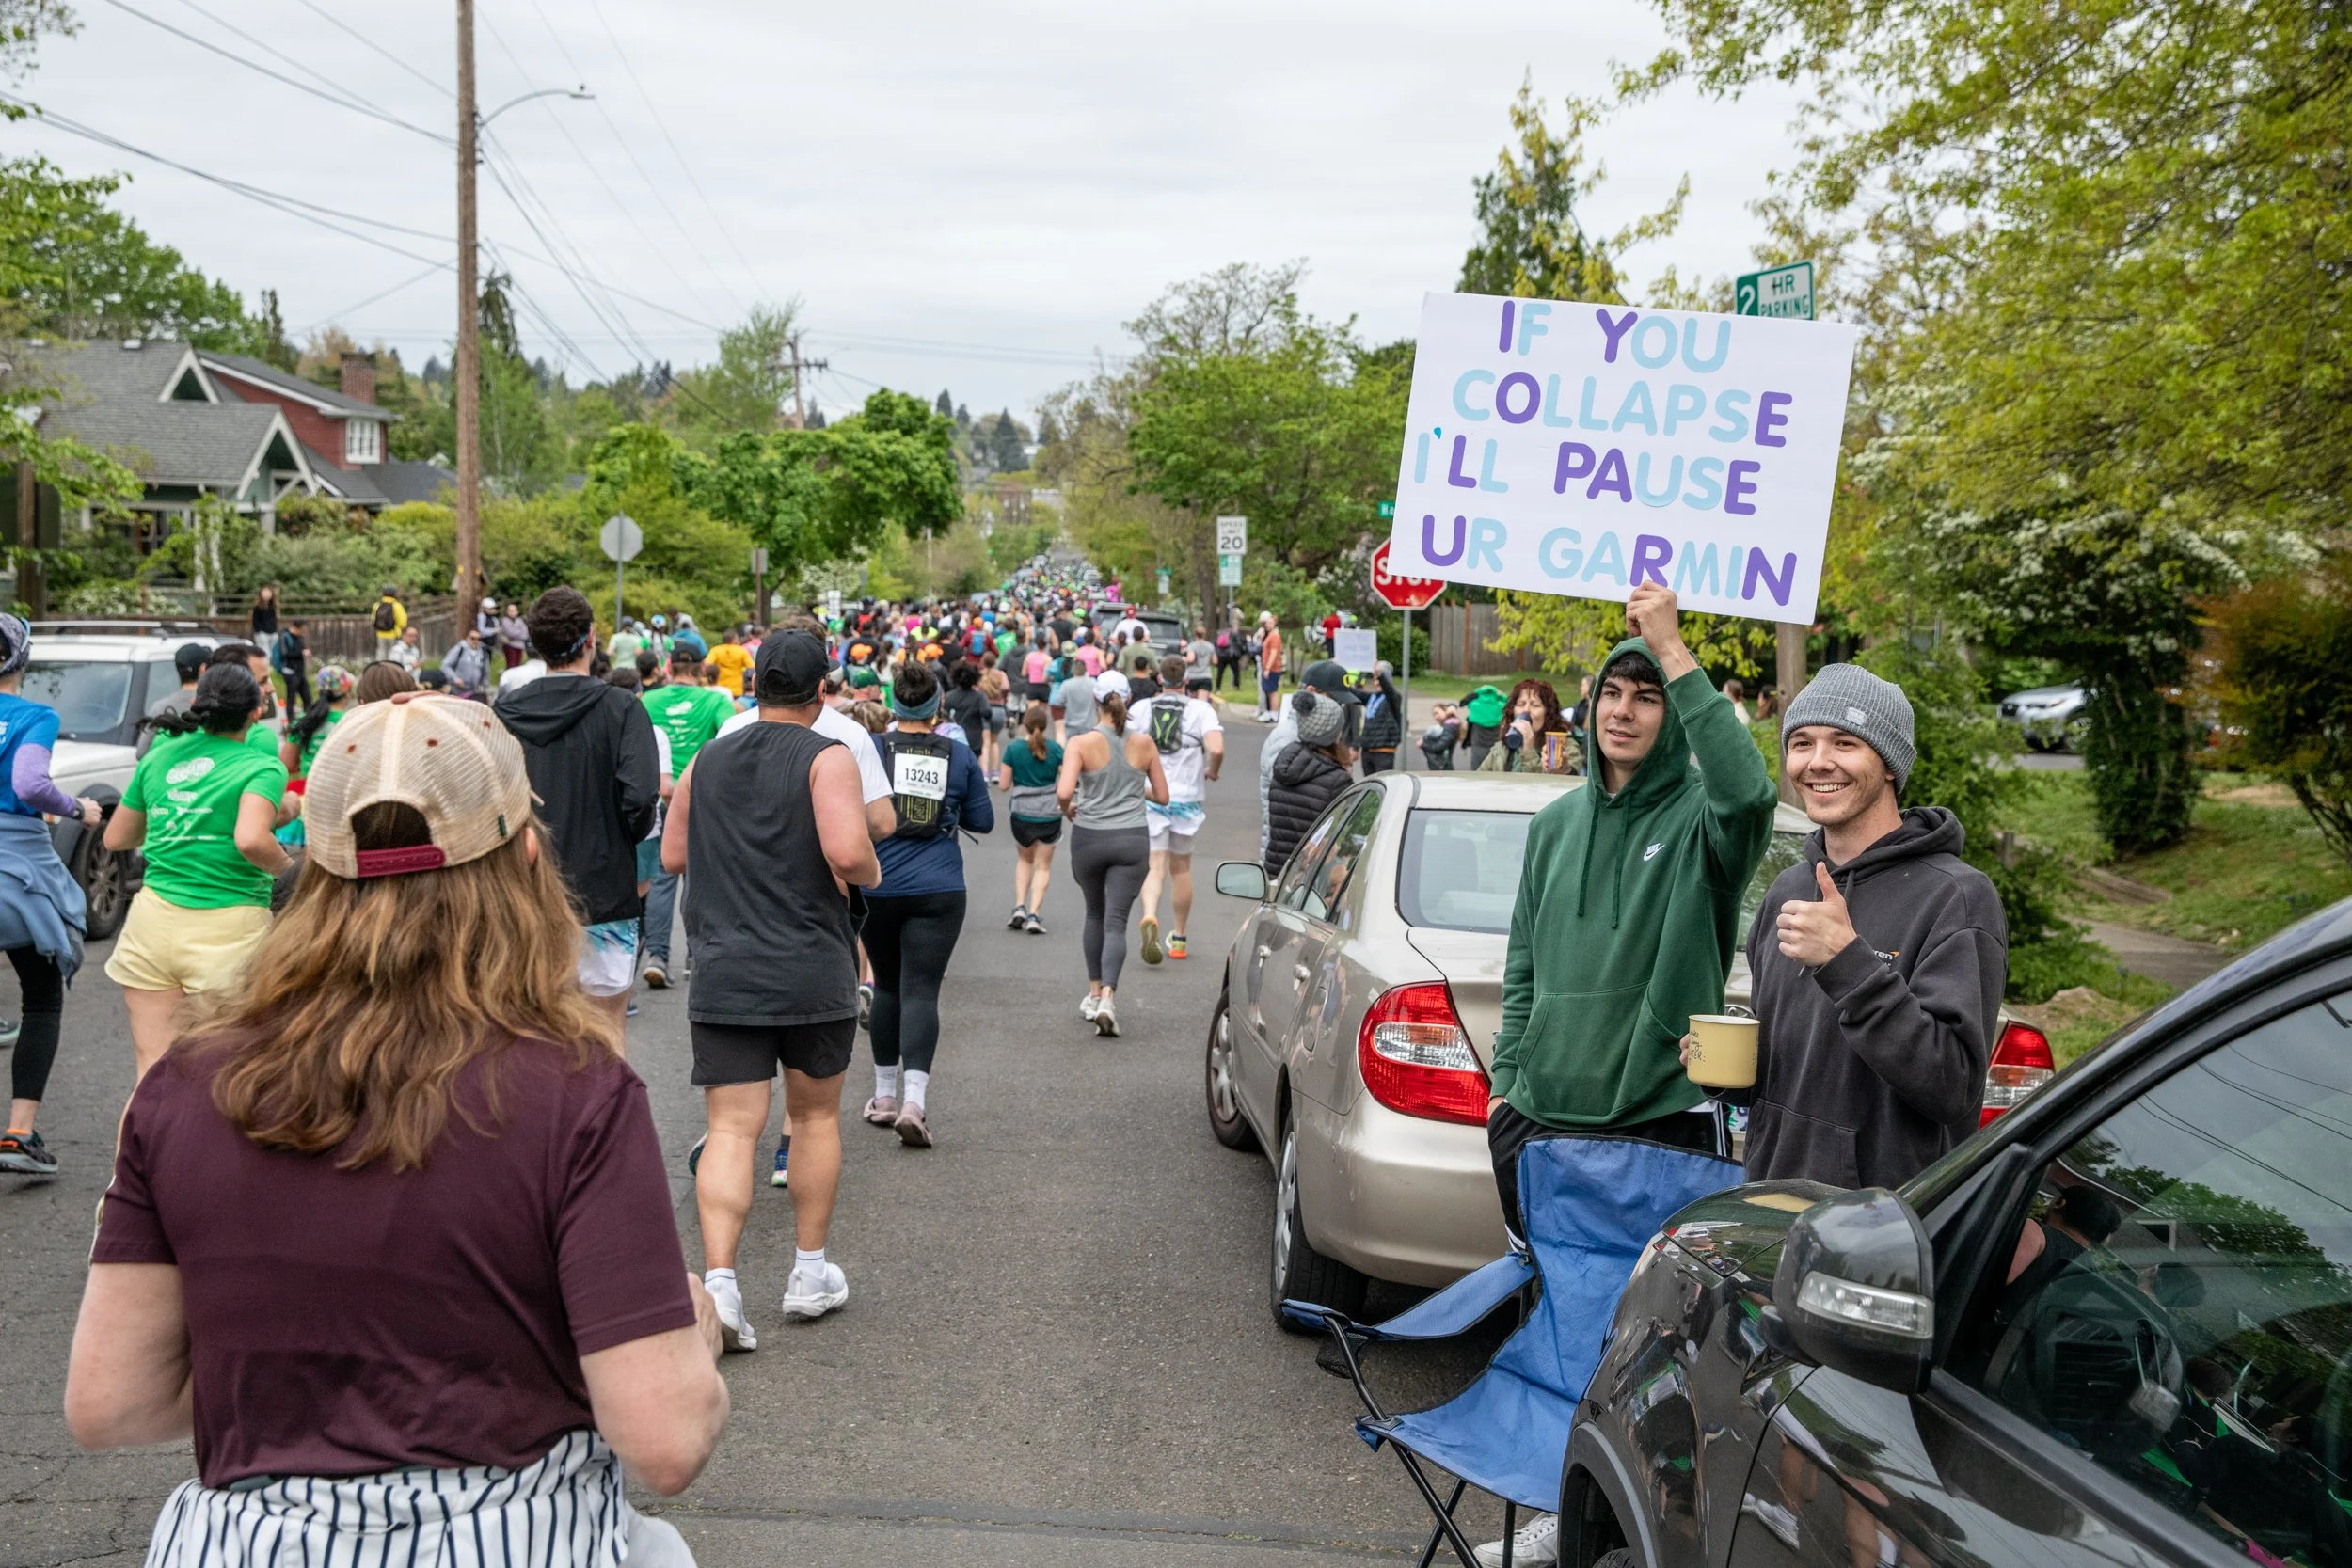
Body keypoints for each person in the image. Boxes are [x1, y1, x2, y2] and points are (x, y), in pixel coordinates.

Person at [69, 693, 728, 1565]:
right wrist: (693, 1333)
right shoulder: (575, 1089)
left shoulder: (184, 1084)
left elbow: (111, 1402)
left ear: (317, 872)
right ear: (526, 854)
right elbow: (665, 1438)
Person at [1470, 588, 1776, 1568]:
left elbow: (1749, 793)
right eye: (1613, 690)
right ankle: (1547, 1507)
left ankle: (1619, 1525)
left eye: (1646, 694)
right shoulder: (1556, 824)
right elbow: (1521, 964)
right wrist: (1506, 1084)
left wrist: (1672, 647)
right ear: (1588, 704)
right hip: (1540, 1121)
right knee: (1556, 1339)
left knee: (1639, 1357)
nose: (1626, 708)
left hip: (1654, 1126)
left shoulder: (1701, 821)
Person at [1702, 664, 2008, 1189]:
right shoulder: (1787, 889)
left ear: (1888, 763)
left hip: (1881, 1226)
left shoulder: (1955, 897)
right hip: (1769, 1199)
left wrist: (1848, 964)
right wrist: (1732, 1073)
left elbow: (1952, 1088)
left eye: (1844, 742)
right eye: (1801, 743)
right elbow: (1804, 1070)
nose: (1818, 763)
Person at [664, 630, 879, 1338]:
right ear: (824, 691)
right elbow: (848, 849)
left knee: (730, 1126)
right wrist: (870, 874)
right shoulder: (828, 755)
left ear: (753, 684)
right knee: (814, 1116)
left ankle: (721, 1285)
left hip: (724, 961)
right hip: (808, 961)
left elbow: (671, 854)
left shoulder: (709, 757)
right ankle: (808, 1272)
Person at [103, 663, 294, 1079]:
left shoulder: (160, 756)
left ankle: (136, 1148)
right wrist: (291, 872)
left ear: (197, 704)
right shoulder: (260, 767)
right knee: (226, 1077)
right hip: (230, 926)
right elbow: (250, 839)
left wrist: (178, 818)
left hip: (152, 921)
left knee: (151, 1072)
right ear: (257, 711)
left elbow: (117, 838)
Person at [495, 588, 663, 1022]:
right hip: (604, 893)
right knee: (606, 1038)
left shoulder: (504, 713)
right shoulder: (623, 708)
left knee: (529, 1037)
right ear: (592, 638)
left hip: (523, 894)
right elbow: (641, 796)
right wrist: (618, 838)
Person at [860, 660, 993, 1146]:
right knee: (922, 991)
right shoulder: (957, 755)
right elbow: (983, 822)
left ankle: (883, 1096)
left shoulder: (871, 750)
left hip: (879, 886)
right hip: (938, 887)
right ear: (939, 706)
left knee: (887, 986)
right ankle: (915, 1102)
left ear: (894, 704)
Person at [0, 615, 100, 1175]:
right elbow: (30, 786)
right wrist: (77, 809)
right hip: (15, 866)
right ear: (23, 659)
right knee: (40, 996)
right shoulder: (34, 715)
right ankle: (18, 1134)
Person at [1055, 674, 1168, 1038]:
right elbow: (1163, 797)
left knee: (1094, 913)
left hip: (1090, 837)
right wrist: (1135, 787)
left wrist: (1069, 807)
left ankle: (1091, 991)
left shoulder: (1081, 743)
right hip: (1132, 839)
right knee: (1117, 921)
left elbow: (1064, 790)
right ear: (1130, 699)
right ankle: (1108, 997)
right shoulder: (1144, 743)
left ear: (1095, 700)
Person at [640, 650, 739, 990]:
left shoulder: (648, 699)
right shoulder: (713, 702)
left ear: (668, 667)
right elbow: (735, 730)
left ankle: (657, 955)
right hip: (703, 797)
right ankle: (697, 957)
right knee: (705, 876)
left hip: (660, 797)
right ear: (701, 669)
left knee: (663, 878)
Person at [1136, 657, 1222, 965]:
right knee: (1181, 870)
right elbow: (1217, 748)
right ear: (1187, 679)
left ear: (1159, 678)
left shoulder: (1142, 708)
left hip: (1151, 796)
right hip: (1186, 800)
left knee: (1155, 864)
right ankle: (1180, 938)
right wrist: (1212, 771)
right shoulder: (1201, 710)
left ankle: (1149, 916)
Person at [1257, 660, 1356, 860]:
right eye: (1334, 700)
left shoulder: (1312, 735)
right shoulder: (1289, 738)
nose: (1339, 707)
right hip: (1289, 855)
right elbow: (1288, 807)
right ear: (1311, 691)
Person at [1000, 701, 1063, 935]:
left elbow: (1004, 785)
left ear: (1024, 725)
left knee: (1024, 860)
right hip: (1049, 813)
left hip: (1021, 813)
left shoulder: (1014, 750)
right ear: (1046, 726)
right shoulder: (1055, 750)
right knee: (1043, 866)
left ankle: (1019, 906)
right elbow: (1067, 784)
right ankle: (1034, 914)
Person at [1478, 678, 1577, 774]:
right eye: (1521, 704)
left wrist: (1529, 751)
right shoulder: (1503, 748)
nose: (1526, 710)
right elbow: (1478, 781)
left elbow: (1542, 786)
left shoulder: (1561, 745)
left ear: (1548, 713)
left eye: (1535, 705)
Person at [1359, 661, 1403, 773]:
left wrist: (1380, 674)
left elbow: (1389, 690)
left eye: (1379, 680)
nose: (1377, 683)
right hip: (1367, 750)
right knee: (1369, 785)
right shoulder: (1372, 697)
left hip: (1384, 752)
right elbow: (1354, 692)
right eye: (1375, 679)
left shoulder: (1393, 698)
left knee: (1382, 785)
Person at [940, 657, 990, 753]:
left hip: (954, 737)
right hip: (974, 739)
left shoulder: (949, 696)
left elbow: (943, 716)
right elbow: (987, 713)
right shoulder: (979, 697)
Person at [1052, 653, 1099, 744]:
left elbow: (1058, 702)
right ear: (1085, 670)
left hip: (1071, 725)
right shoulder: (1093, 683)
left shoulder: (1066, 684)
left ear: (1073, 670)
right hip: (1089, 725)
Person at [1460, 683, 1506, 768]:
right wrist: (1500, 694)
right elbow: (1508, 700)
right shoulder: (1501, 706)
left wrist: (1477, 692)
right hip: (1495, 742)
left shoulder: (1474, 704)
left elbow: (1463, 702)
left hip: (1478, 742)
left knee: (1477, 768)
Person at [442, 625, 491, 697]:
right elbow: (445, 665)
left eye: (478, 639)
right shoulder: (459, 649)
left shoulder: (483, 653)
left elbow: (485, 672)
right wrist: (455, 678)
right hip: (457, 690)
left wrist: (485, 688)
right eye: (473, 638)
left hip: (474, 690)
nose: (475, 641)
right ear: (467, 638)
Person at [708, 625, 755, 698]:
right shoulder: (741, 650)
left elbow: (707, 664)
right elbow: (751, 667)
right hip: (736, 689)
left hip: (720, 688)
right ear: (733, 639)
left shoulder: (715, 650)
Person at [1255, 612, 1284, 721]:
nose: (1267, 625)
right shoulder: (1269, 635)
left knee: (1273, 691)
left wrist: (1268, 667)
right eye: (1267, 623)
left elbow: (1274, 652)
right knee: (1269, 690)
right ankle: (1270, 711)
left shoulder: (1275, 636)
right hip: (1267, 666)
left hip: (1272, 668)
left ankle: (1274, 713)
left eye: (1270, 623)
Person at [1421, 701, 1462, 769]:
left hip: (1442, 766)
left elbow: (1441, 746)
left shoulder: (1450, 727)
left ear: (1446, 711)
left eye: (1437, 713)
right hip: (1441, 765)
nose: (1435, 717)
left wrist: (1423, 744)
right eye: (1434, 714)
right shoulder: (1447, 726)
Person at [371, 585, 405, 659]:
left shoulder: (377, 605)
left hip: (380, 634)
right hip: (394, 634)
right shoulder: (397, 605)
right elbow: (403, 623)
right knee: (393, 657)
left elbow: (373, 620)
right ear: (394, 594)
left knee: (381, 656)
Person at [498, 601, 530, 672]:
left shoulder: (519, 620)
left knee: (518, 665)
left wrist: (516, 634)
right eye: (511, 611)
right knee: (511, 665)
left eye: (514, 610)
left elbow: (525, 633)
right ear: (507, 612)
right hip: (510, 646)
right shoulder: (505, 621)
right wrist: (519, 632)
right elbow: (510, 633)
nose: (513, 612)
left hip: (519, 646)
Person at [1185, 625, 1216, 689]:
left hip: (1193, 676)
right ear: (1204, 634)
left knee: (1194, 698)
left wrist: (1184, 659)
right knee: (1202, 698)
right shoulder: (1210, 646)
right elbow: (1215, 661)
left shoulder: (1192, 646)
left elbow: (1191, 659)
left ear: (1195, 634)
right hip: (1206, 676)